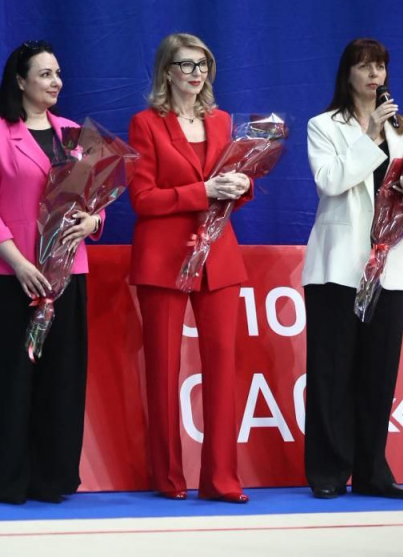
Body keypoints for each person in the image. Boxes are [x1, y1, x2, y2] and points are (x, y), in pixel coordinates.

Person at [0, 40, 102, 504]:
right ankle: (3, 479)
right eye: (45, 74)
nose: (55, 82)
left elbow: (94, 202)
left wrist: (93, 221)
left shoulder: (73, 134)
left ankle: (53, 478)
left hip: (68, 273)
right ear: (19, 81)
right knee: (10, 379)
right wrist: (20, 264)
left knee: (61, 379)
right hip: (12, 276)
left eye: (58, 73)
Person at [302, 37, 403, 500]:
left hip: (390, 267)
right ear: (348, 74)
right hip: (337, 267)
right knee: (332, 372)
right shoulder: (324, 126)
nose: (374, 75)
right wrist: (370, 136)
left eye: (380, 66)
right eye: (365, 66)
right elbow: (330, 181)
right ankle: (328, 472)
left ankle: (373, 471)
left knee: (379, 373)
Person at [128, 33, 251, 503]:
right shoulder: (146, 123)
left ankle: (221, 480)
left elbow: (236, 188)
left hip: (218, 259)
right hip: (163, 259)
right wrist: (205, 192)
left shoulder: (222, 122)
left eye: (203, 65)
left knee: (222, 368)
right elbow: (143, 200)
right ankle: (168, 478)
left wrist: (240, 185)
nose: (196, 73)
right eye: (186, 65)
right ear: (166, 72)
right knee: (163, 370)